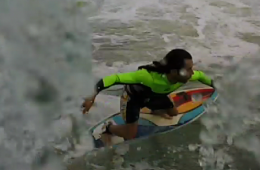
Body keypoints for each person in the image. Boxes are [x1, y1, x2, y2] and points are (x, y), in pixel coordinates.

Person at [81, 49, 214, 145]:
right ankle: (108, 128)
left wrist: (218, 86)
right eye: (188, 69)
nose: (192, 73)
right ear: (173, 72)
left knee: (174, 113)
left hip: (155, 96)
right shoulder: (147, 77)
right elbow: (113, 79)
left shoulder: (185, 75)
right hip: (133, 99)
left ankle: (153, 109)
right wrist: (91, 97)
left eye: (192, 68)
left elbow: (202, 76)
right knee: (130, 135)